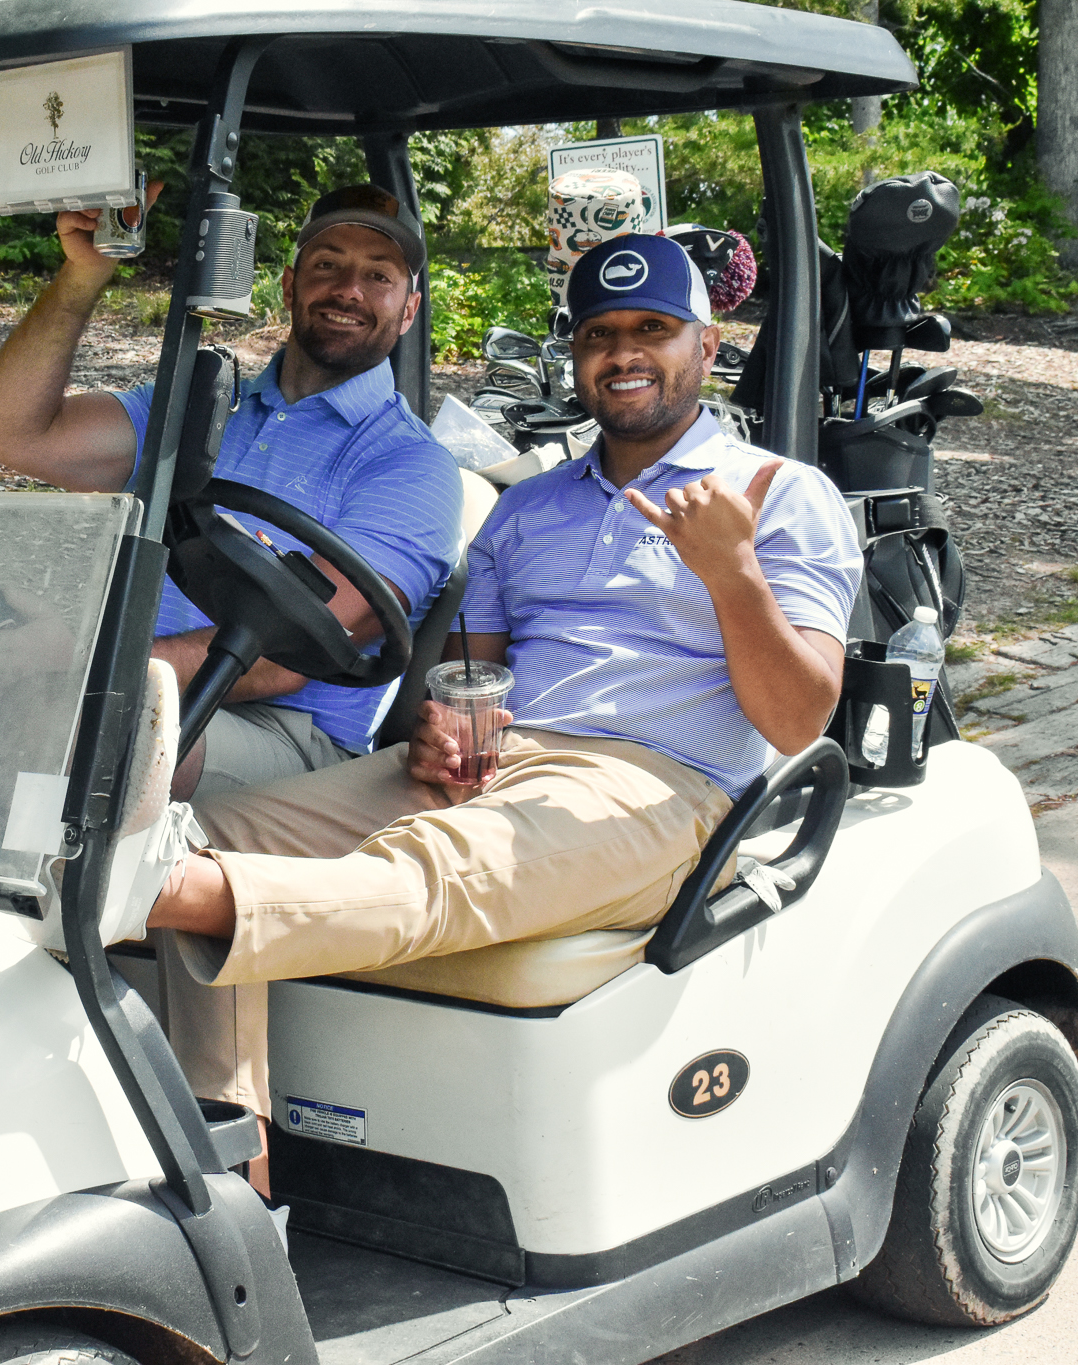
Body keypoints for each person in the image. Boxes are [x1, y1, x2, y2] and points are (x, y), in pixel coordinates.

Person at [144, 233, 864, 1196]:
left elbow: (799, 719)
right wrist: (442, 727)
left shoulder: (780, 495)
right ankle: (235, 1185)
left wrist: (731, 572)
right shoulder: (530, 509)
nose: (623, 353)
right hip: (502, 762)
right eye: (600, 334)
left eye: (652, 329)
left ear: (706, 343)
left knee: (416, 866)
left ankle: (141, 891)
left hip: (660, 786)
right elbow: (468, 679)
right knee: (207, 828)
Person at [0, 184, 463, 798]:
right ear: (290, 285)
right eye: (327, 265)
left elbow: (284, 656)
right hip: (134, 685)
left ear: (408, 310)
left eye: (378, 276)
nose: (349, 290)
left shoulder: (410, 464)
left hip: (287, 734)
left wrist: (83, 664)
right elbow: (8, 432)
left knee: (90, 726)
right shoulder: (200, 407)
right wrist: (83, 276)